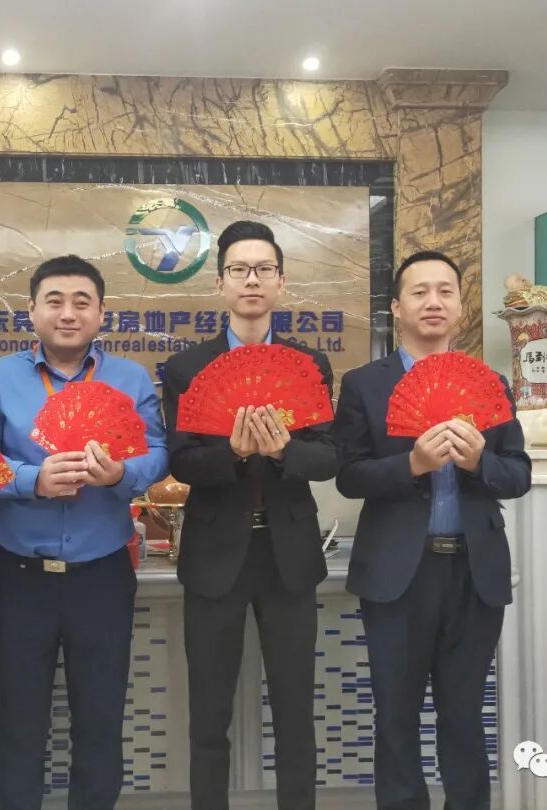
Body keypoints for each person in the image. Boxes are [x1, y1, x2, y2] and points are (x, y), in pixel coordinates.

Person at [0, 255, 169, 810]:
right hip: (21, 576)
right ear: (31, 311)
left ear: (101, 314)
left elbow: (157, 451)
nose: (68, 313)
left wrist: (121, 473)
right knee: (18, 720)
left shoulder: (130, 379)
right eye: (54, 301)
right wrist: (32, 479)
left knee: (100, 721)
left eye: (82, 302)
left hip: (102, 577)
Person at [333, 250, 531, 809]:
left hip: (474, 572)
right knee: (396, 715)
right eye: (420, 292)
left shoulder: (490, 383)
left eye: (446, 291)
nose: (434, 302)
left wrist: (479, 463)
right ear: (397, 308)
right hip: (398, 573)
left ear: (461, 307)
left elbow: (518, 474)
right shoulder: (365, 385)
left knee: (464, 714)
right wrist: (412, 464)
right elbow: (348, 475)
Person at [161, 220, 339, 810]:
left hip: (289, 555)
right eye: (239, 269)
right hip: (215, 556)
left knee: (295, 712)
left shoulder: (310, 363)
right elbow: (182, 462)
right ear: (220, 284)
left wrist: (285, 451)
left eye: (264, 269)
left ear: (281, 282)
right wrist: (234, 454)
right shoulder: (187, 368)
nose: (252, 280)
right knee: (209, 714)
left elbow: (328, 458)